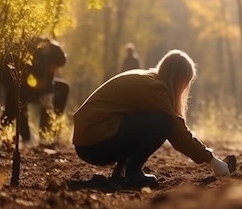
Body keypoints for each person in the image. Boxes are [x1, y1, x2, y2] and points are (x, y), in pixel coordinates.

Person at [72, 49, 231, 186]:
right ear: (178, 79)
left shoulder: (148, 80)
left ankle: (123, 171)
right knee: (163, 122)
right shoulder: (155, 88)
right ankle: (133, 172)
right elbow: (177, 131)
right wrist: (212, 161)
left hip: (90, 139)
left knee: (151, 120)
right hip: (94, 143)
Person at [1, 37, 69, 143]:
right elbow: (29, 82)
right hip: (17, 84)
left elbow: (48, 81)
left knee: (63, 88)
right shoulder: (33, 59)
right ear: (50, 61)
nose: (55, 70)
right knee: (13, 109)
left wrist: (46, 94)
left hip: (32, 85)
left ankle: (49, 132)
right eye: (54, 66)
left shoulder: (48, 63)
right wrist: (42, 92)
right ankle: (22, 137)